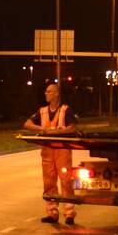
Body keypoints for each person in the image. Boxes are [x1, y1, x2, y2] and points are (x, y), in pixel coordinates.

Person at [23, 83, 79, 224]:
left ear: (56, 94)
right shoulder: (42, 111)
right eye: (46, 91)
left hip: (62, 151)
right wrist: (41, 128)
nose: (46, 94)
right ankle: (52, 212)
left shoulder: (65, 110)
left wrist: (55, 132)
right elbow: (27, 124)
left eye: (49, 91)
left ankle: (69, 213)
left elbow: (73, 128)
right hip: (47, 153)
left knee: (66, 181)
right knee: (49, 182)